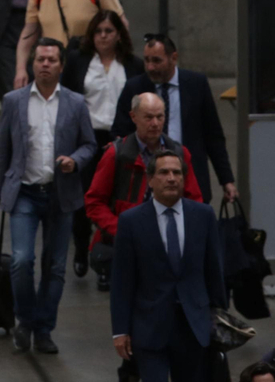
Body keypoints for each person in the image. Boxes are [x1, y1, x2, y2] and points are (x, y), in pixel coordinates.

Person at [0, 36, 97, 356]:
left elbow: (90, 145)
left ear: (61, 66)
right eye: (40, 60)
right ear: (32, 64)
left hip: (61, 195)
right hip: (24, 192)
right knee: (22, 260)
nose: (45, 65)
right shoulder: (14, 101)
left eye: (51, 60)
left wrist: (75, 161)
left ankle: (44, 330)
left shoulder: (76, 103)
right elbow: (2, 151)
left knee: (55, 266)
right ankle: (25, 320)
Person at [110, 148, 227, 382]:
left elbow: (214, 270)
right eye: (164, 172)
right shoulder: (131, 222)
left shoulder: (203, 216)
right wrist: (120, 330)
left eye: (176, 172)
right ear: (150, 180)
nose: (171, 178)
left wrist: (220, 319)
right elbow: (122, 281)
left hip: (194, 326)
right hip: (149, 327)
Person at [86, 92, 202, 291]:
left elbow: (194, 201)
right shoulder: (117, 154)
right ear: (134, 117)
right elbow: (94, 202)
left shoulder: (179, 154)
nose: (155, 123)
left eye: (160, 117)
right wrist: (122, 230)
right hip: (126, 248)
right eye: (148, 117)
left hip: (168, 247)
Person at [66, 9, 149, 279]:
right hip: (86, 137)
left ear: (118, 35)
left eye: (109, 31)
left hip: (120, 139)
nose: (103, 36)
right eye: (99, 31)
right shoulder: (78, 62)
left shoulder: (132, 65)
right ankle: (80, 247)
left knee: (114, 199)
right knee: (83, 197)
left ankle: (105, 258)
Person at [113, 34, 237, 207]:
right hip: (147, 179)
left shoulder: (196, 84)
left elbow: (213, 136)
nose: (150, 67)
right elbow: (120, 133)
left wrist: (227, 180)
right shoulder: (135, 87)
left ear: (174, 58)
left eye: (156, 61)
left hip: (190, 177)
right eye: (146, 60)